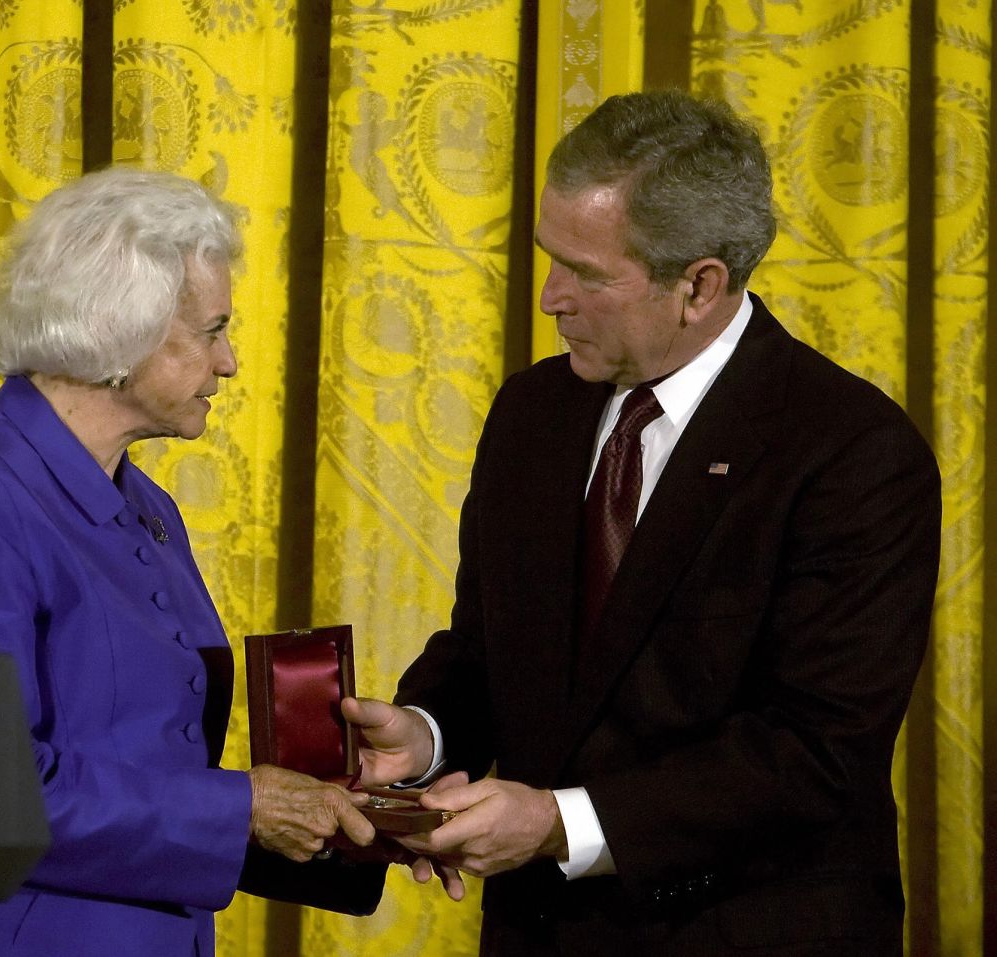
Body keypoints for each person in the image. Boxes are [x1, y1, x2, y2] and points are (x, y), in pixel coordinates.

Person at [345, 90, 941, 954]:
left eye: (584, 273)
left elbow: (816, 750)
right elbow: (488, 648)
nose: (549, 298)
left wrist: (559, 824)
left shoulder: (850, 449)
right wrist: (426, 733)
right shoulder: (531, 413)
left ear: (698, 285)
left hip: (745, 930)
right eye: (549, 258)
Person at [0, 168, 382, 957]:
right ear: (122, 332)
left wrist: (361, 822)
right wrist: (242, 807)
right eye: (213, 330)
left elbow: (152, 765)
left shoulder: (150, 508)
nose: (230, 363)